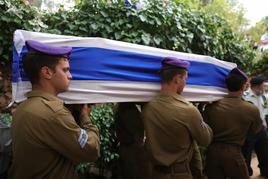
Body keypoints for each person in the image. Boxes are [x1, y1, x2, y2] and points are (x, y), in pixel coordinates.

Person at [8, 40, 100, 179]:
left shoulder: (23, 107)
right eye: (65, 70)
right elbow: (91, 151)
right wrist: (85, 118)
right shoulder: (53, 113)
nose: (70, 76)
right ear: (47, 72)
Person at [142, 57, 213, 179]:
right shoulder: (188, 110)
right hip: (180, 174)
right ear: (177, 79)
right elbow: (206, 139)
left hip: (155, 174)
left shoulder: (147, 108)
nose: (186, 83)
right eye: (185, 79)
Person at [203, 68, 263, 179]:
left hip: (212, 154)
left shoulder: (210, 107)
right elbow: (257, 130)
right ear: (243, 87)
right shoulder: (250, 109)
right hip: (233, 153)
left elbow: (204, 128)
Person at [114, 102, 152, 179]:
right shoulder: (127, 108)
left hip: (129, 148)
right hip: (133, 150)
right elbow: (137, 132)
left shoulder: (123, 106)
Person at [243, 76, 268, 177]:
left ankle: (265, 171)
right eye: (263, 85)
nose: (265, 87)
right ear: (257, 86)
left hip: (262, 130)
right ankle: (246, 174)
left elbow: (265, 112)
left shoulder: (263, 97)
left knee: (265, 153)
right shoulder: (245, 97)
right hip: (249, 131)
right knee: (246, 154)